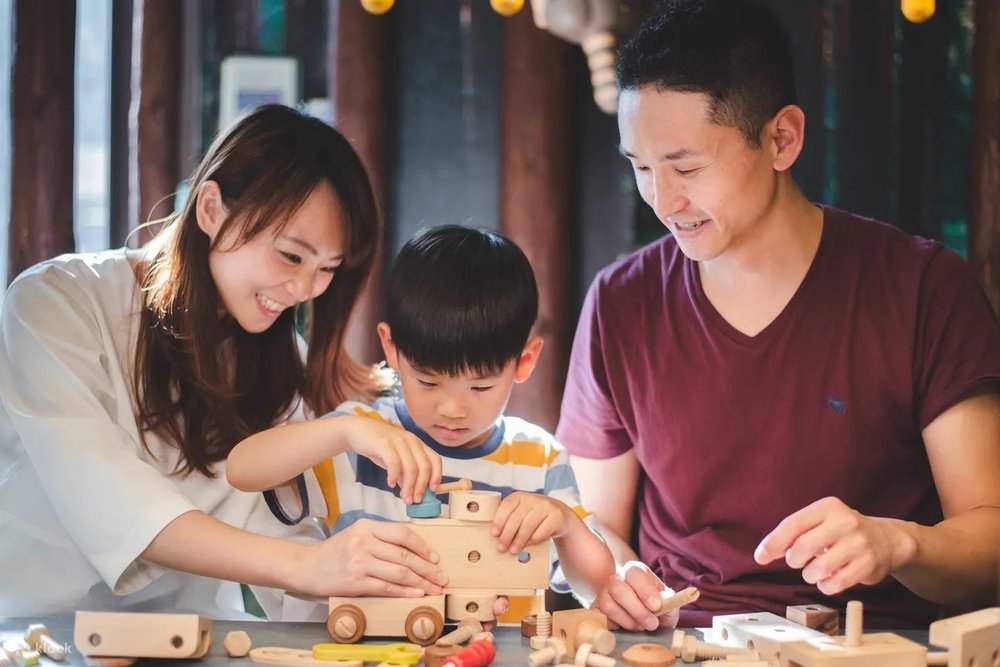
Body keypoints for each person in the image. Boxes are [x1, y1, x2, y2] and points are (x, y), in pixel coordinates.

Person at [557, 0, 1000, 631]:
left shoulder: (922, 287)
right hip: (683, 641)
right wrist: (613, 573)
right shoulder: (618, 302)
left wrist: (899, 543)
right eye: (641, 168)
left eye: (686, 166)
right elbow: (595, 523)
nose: (664, 200)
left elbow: (990, 541)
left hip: (868, 645)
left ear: (782, 139)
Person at [0, 105, 450, 618]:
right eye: (291, 256)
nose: (305, 290)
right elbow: (109, 499)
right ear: (211, 210)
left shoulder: (282, 360)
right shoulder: (55, 303)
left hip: (177, 642)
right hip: (29, 632)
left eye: (328, 268)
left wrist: (375, 587)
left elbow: (287, 528)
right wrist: (307, 565)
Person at [227, 225, 616, 616]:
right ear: (392, 349)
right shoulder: (361, 441)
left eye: (479, 388)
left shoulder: (539, 459)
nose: (452, 409)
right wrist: (345, 431)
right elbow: (242, 471)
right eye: (428, 382)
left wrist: (564, 523)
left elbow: (596, 587)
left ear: (525, 361)